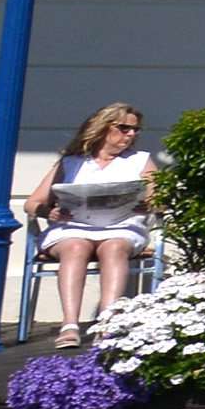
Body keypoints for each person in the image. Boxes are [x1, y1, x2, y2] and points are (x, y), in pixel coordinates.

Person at [36, 103, 157, 338]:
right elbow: (34, 202)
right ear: (103, 127)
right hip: (73, 227)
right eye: (124, 128)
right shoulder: (71, 162)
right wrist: (48, 211)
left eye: (135, 130)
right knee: (75, 246)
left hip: (121, 225)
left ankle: (107, 320)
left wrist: (148, 203)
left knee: (114, 246)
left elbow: (161, 198)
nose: (131, 134)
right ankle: (70, 323)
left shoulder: (140, 160)